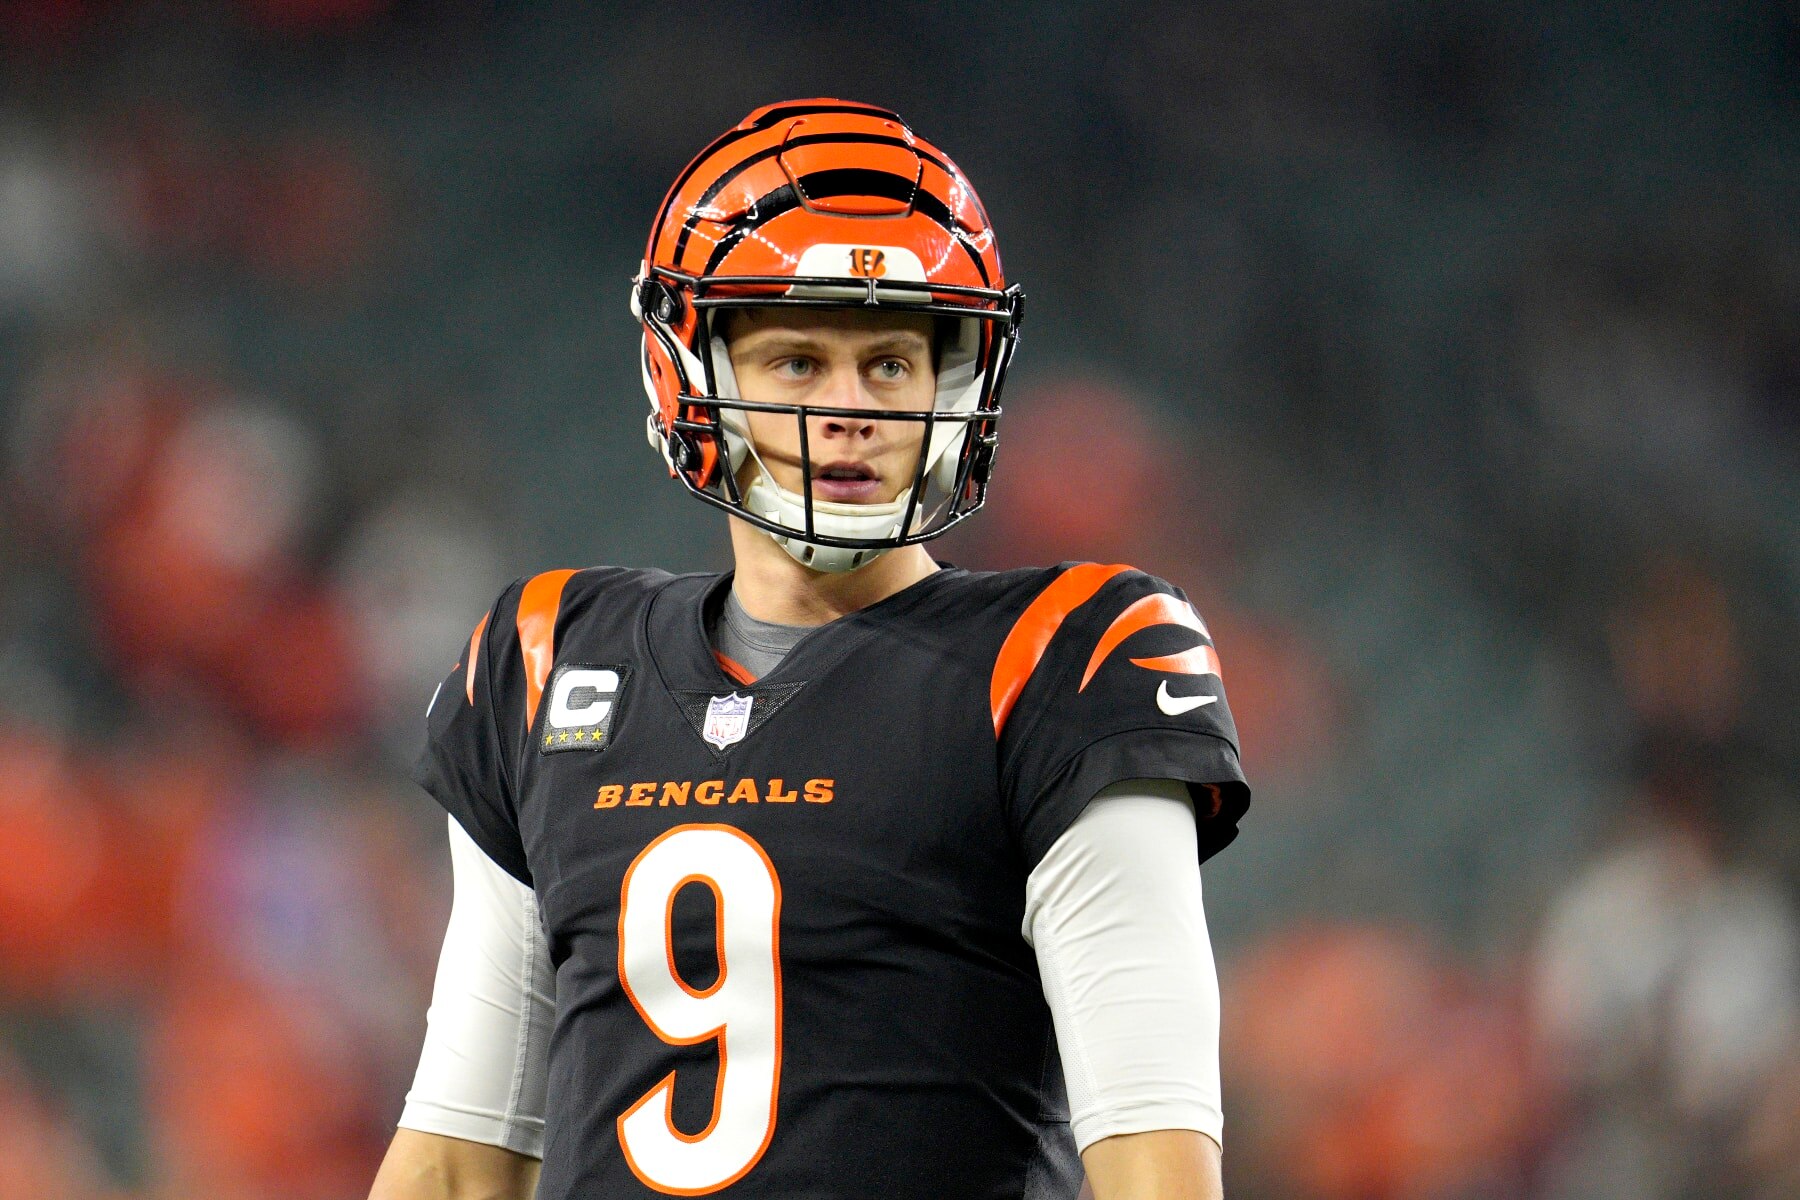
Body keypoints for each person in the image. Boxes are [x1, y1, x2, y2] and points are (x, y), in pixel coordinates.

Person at [367, 98, 1250, 1200]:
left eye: (889, 363)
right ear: (690, 371)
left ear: (955, 382)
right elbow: (458, 1158)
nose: (850, 408)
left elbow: (1156, 1163)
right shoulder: (547, 660)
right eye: (795, 361)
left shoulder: (1061, 663)